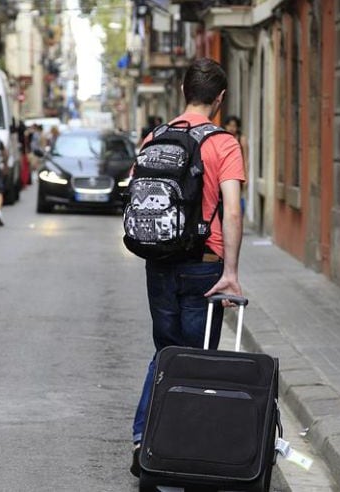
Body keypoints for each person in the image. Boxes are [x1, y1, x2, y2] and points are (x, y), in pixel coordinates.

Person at [129, 58, 245, 477]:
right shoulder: (223, 143)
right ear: (221, 98)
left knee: (166, 353)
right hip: (204, 265)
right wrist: (230, 272)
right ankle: (183, 451)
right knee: (198, 360)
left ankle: (145, 440)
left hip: (159, 263)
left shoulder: (154, 137)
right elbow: (232, 211)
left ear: (182, 90)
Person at [223, 115, 249, 212]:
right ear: (225, 126)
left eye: (234, 126)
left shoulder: (242, 139)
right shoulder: (223, 138)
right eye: (229, 125)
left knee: (237, 198)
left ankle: (238, 215)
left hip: (238, 174)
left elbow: (246, 159)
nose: (231, 128)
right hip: (225, 172)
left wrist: (246, 177)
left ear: (237, 127)